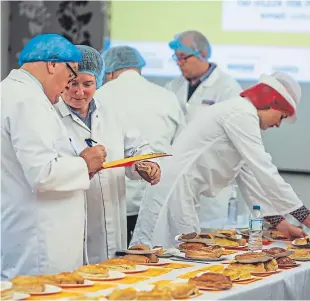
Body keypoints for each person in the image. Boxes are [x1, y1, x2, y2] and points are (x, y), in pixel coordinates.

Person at [131, 72, 310, 248]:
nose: (278, 125)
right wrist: (304, 216)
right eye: (282, 117)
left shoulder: (241, 114)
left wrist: (281, 223)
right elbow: (264, 170)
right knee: (170, 259)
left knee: (173, 256)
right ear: (271, 103)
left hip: (179, 191)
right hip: (174, 191)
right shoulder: (241, 114)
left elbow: (250, 177)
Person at [1, 34, 107, 279]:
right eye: (70, 79)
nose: (65, 90)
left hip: (23, 227)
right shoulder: (29, 101)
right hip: (41, 240)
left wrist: (78, 163)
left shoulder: (9, 92)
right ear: (52, 65)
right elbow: (43, 174)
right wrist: (85, 163)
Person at [54, 45, 161, 263]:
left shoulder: (111, 111)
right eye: (73, 83)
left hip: (113, 214)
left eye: (88, 84)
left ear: (99, 82)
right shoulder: (50, 116)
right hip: (71, 217)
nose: (80, 91)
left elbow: (136, 147)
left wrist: (145, 164)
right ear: (62, 81)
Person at [95, 46, 185, 245]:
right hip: (156, 196)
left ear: (108, 72)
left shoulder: (100, 97)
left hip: (115, 201)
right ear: (139, 68)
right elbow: (180, 146)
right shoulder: (167, 97)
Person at [166, 30, 244, 225]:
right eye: (176, 58)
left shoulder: (228, 88)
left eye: (183, 57)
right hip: (178, 177)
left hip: (212, 182)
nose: (179, 62)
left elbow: (233, 139)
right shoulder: (172, 87)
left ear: (202, 54)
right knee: (177, 242)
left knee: (212, 241)